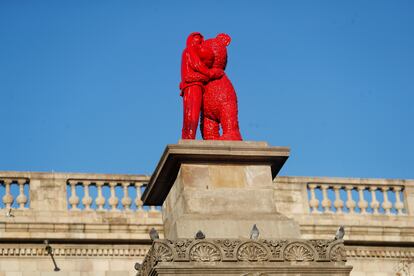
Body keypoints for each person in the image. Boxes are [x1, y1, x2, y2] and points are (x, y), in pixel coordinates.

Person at [179, 32, 223, 139]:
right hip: (192, 86)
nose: (200, 41)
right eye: (197, 38)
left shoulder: (190, 52)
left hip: (194, 85)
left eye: (200, 39)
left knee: (192, 114)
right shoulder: (189, 51)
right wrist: (211, 73)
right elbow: (197, 65)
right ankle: (189, 138)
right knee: (192, 114)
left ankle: (188, 137)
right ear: (191, 40)